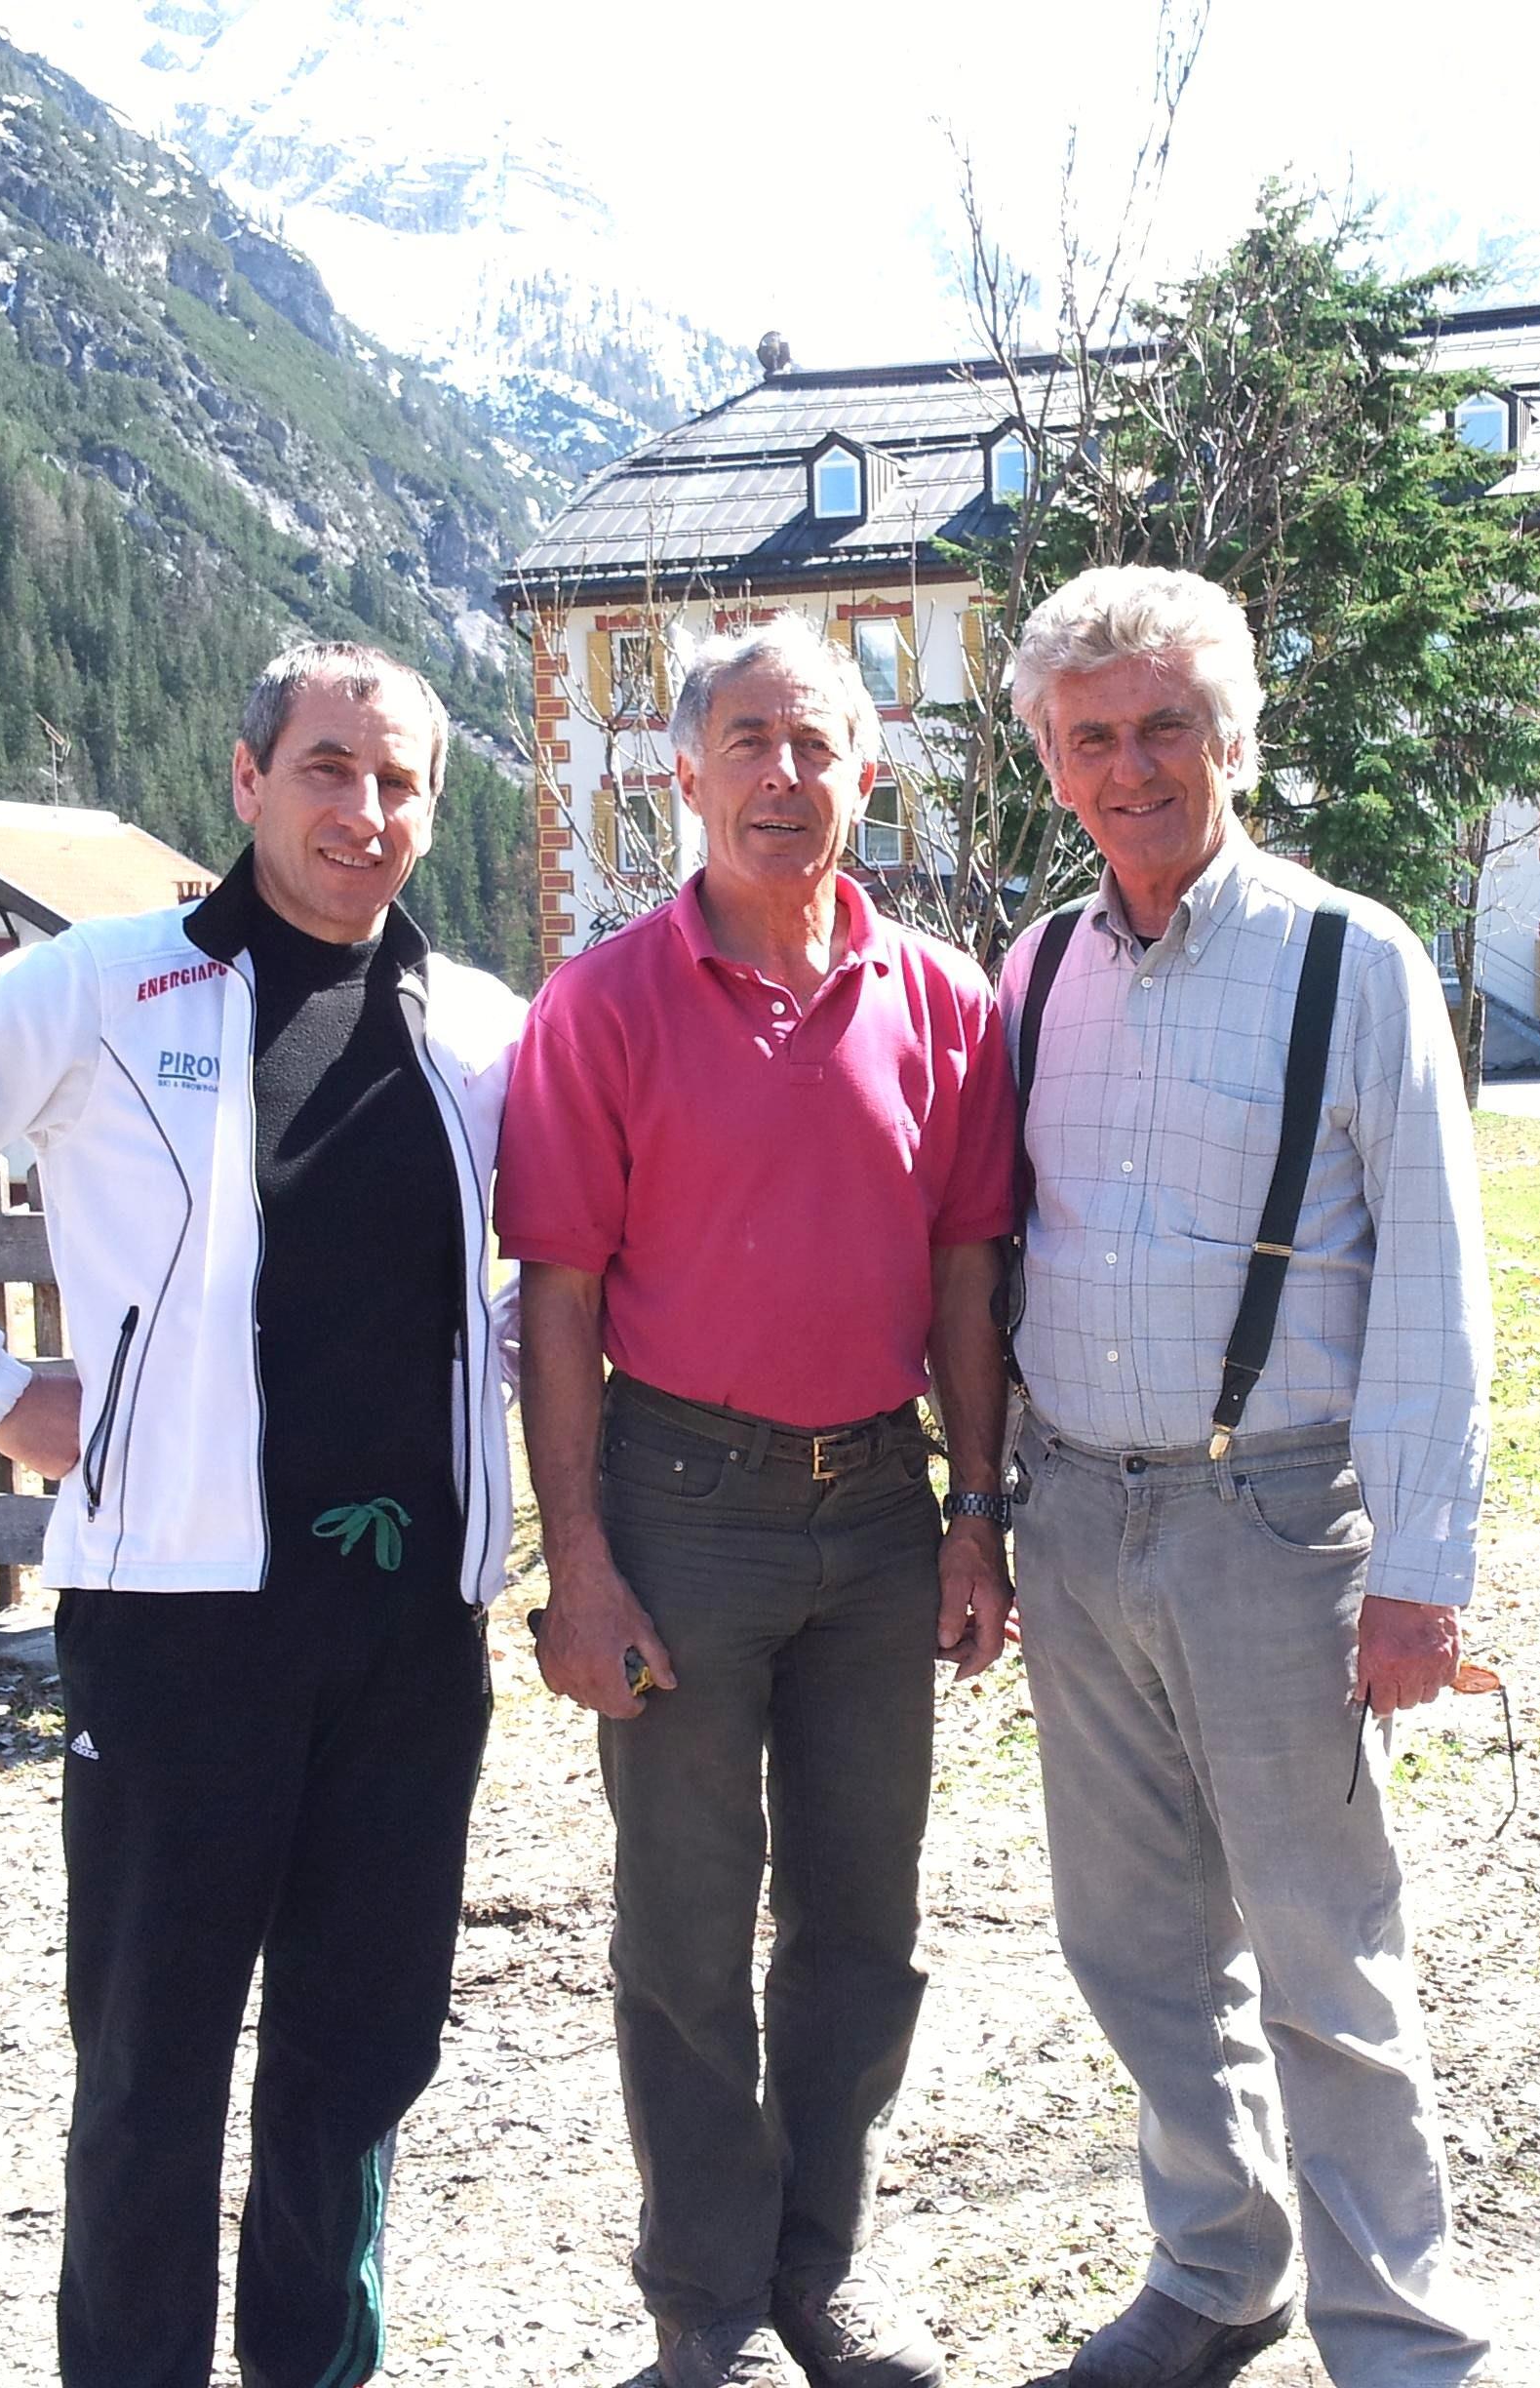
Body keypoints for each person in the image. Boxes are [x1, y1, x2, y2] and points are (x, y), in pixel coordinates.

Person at [0, 642, 528, 2388]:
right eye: (327, 768)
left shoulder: (483, 1027)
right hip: (177, 1627)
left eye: (400, 780)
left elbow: (531, 1283)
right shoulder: (102, 987)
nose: (365, 810)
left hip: (411, 1632)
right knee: (151, 2068)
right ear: (247, 779)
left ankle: (315, 2367)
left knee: (360, 2057)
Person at [496, 614, 1016, 2388]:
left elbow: (966, 1274)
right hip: (681, 1506)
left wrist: (976, 1512)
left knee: (866, 1915)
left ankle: (823, 2273)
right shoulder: (602, 1006)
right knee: (685, 1924)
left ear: (866, 772)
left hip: (879, 1509)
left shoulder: (944, 1000)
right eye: (749, 744)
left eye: (816, 747)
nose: (783, 778)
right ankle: (707, 2304)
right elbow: (559, 1297)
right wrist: (580, 1565)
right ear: (685, 774)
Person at [996, 566, 1499, 2388]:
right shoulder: (1034, 972)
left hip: (1276, 1520)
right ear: (1051, 762)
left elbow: (1434, 1279)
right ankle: (1219, 2269)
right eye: (1092, 736)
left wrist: (1421, 1572)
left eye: (1166, 727)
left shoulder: (1352, 961)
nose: (1131, 768)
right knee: (1131, 1942)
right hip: (1073, 1516)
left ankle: (1402, 2339)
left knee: (1323, 1957)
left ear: (1235, 739)